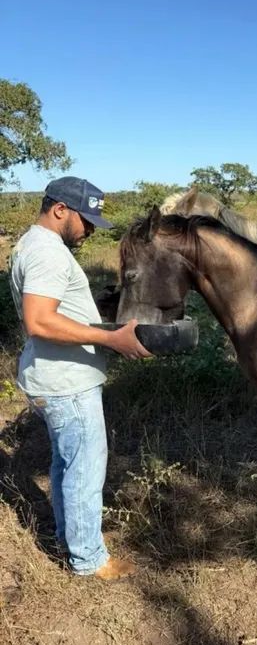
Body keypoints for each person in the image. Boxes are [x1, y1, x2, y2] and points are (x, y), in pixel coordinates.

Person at [8, 176, 151, 579]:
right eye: (85, 220)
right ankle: (88, 559)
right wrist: (111, 338)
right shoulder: (47, 253)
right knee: (85, 470)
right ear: (59, 210)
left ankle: (67, 537)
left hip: (55, 378)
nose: (89, 230)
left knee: (67, 465)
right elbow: (39, 321)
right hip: (67, 384)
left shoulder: (34, 245)